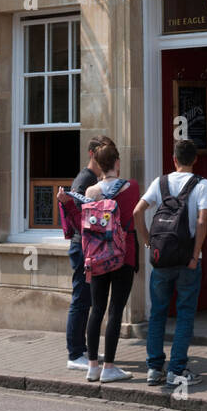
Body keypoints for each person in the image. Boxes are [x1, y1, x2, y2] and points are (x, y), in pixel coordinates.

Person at [133, 139, 207, 388]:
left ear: (174, 159)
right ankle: (177, 370)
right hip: (187, 260)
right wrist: (194, 255)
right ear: (195, 159)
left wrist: (148, 243)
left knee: (157, 313)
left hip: (162, 259)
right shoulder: (202, 185)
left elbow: (137, 212)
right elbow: (201, 223)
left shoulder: (160, 182)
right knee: (185, 314)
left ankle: (154, 369)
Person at [83, 142, 140, 382]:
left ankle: (92, 366)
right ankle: (109, 368)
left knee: (96, 309)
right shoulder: (132, 187)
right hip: (123, 255)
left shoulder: (90, 192)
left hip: (96, 256)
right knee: (115, 311)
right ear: (117, 163)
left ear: (97, 164)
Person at [64, 135, 113, 371]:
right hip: (81, 246)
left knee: (86, 299)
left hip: (87, 246)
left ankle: (82, 349)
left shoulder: (92, 179)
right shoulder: (85, 179)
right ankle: (74, 354)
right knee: (81, 299)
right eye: (104, 152)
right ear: (93, 153)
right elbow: (79, 218)